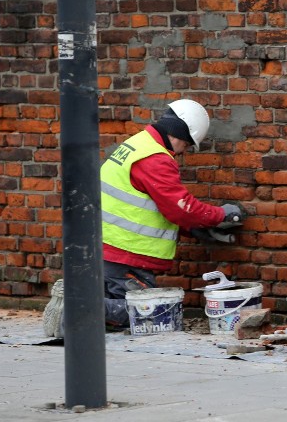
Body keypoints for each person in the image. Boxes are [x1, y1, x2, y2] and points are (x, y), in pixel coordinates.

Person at [42, 99, 243, 337]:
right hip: (126, 255)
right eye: (188, 145)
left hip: (103, 247)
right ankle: (77, 307)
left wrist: (190, 229)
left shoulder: (138, 144)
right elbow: (180, 207)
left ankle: (76, 307)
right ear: (180, 133)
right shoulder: (155, 159)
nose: (184, 152)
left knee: (114, 311)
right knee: (147, 312)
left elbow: (145, 204)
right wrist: (221, 215)